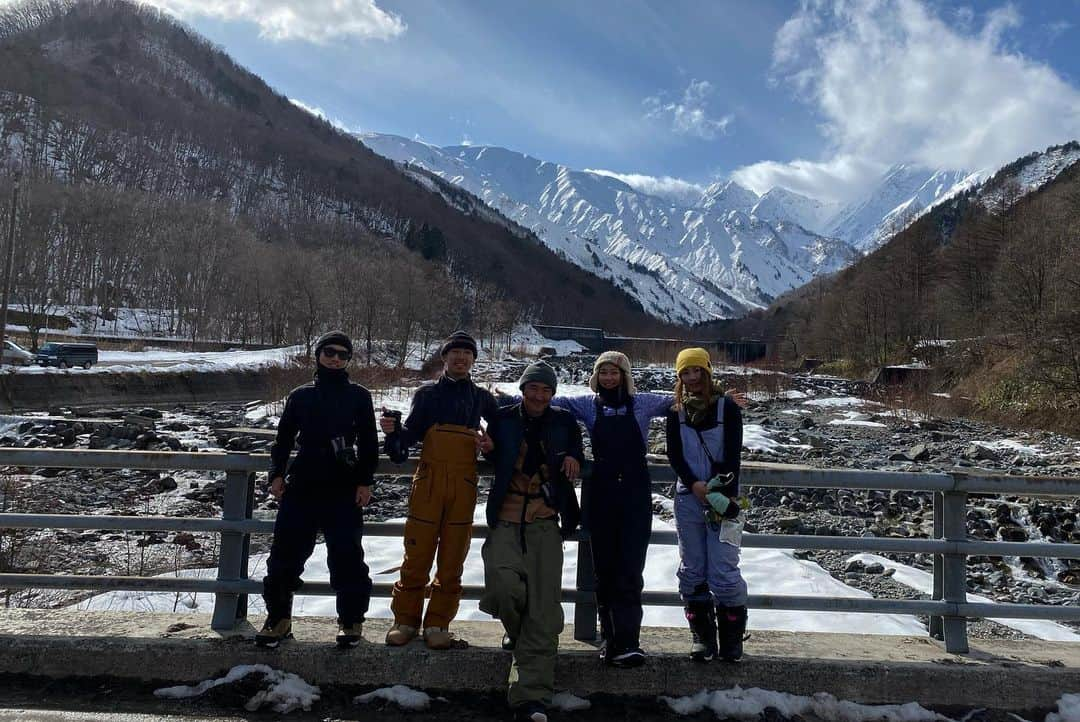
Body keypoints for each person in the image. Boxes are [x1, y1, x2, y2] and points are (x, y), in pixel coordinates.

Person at [498, 351, 746, 668]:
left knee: (630, 570)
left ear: (625, 375)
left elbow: (684, 398)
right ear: (596, 376)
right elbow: (548, 405)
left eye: (615, 372)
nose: (609, 378)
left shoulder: (642, 403)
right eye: (603, 372)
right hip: (602, 491)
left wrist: (723, 396)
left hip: (635, 491)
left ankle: (629, 642)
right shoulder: (587, 405)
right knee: (605, 571)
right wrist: (505, 398)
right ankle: (611, 641)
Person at [257, 331, 379, 649]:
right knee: (284, 555)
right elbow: (283, 440)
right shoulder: (300, 396)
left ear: (348, 360)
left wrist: (365, 481)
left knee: (347, 557)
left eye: (342, 354)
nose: (335, 358)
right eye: (330, 352)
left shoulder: (359, 396)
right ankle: (278, 618)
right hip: (303, 484)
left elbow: (369, 443)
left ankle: (351, 620)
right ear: (318, 354)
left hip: (344, 485)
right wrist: (276, 475)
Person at [380, 331, 497, 650]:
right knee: (416, 555)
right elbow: (407, 441)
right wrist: (392, 433)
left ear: (474, 359)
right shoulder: (427, 395)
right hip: (428, 485)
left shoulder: (483, 398)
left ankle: (437, 624)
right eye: (455, 352)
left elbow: (502, 441)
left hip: (463, 488)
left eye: (467, 353)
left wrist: (490, 447)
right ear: (444, 358)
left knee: (452, 560)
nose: (461, 358)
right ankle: (405, 621)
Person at [480, 361, 582, 722]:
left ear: (553, 394)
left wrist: (572, 457)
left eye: (546, 390)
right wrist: (488, 450)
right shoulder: (503, 419)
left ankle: (531, 699)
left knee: (542, 608)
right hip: (506, 517)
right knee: (504, 585)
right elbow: (495, 454)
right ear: (523, 390)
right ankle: (519, 636)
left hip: (544, 520)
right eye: (533, 388)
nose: (539, 395)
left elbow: (577, 455)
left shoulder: (565, 422)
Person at [666, 347, 748, 663]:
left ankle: (731, 639)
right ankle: (702, 637)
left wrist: (715, 491)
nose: (692, 378)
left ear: (707, 371)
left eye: (697, 371)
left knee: (724, 570)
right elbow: (675, 455)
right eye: (685, 373)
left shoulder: (728, 408)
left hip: (724, 501)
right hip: (688, 499)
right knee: (692, 570)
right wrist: (695, 485)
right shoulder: (676, 412)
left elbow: (732, 456)